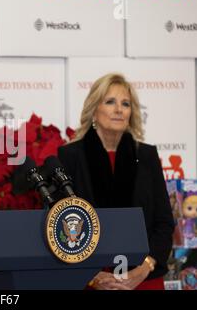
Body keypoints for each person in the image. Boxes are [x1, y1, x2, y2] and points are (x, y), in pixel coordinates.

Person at [58, 73, 174, 290]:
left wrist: (144, 268)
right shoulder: (69, 157)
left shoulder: (147, 156)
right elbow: (57, 226)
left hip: (143, 279)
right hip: (88, 280)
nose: (119, 109)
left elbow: (164, 223)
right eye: (110, 102)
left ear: (132, 112)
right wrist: (91, 275)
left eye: (125, 104)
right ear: (94, 109)